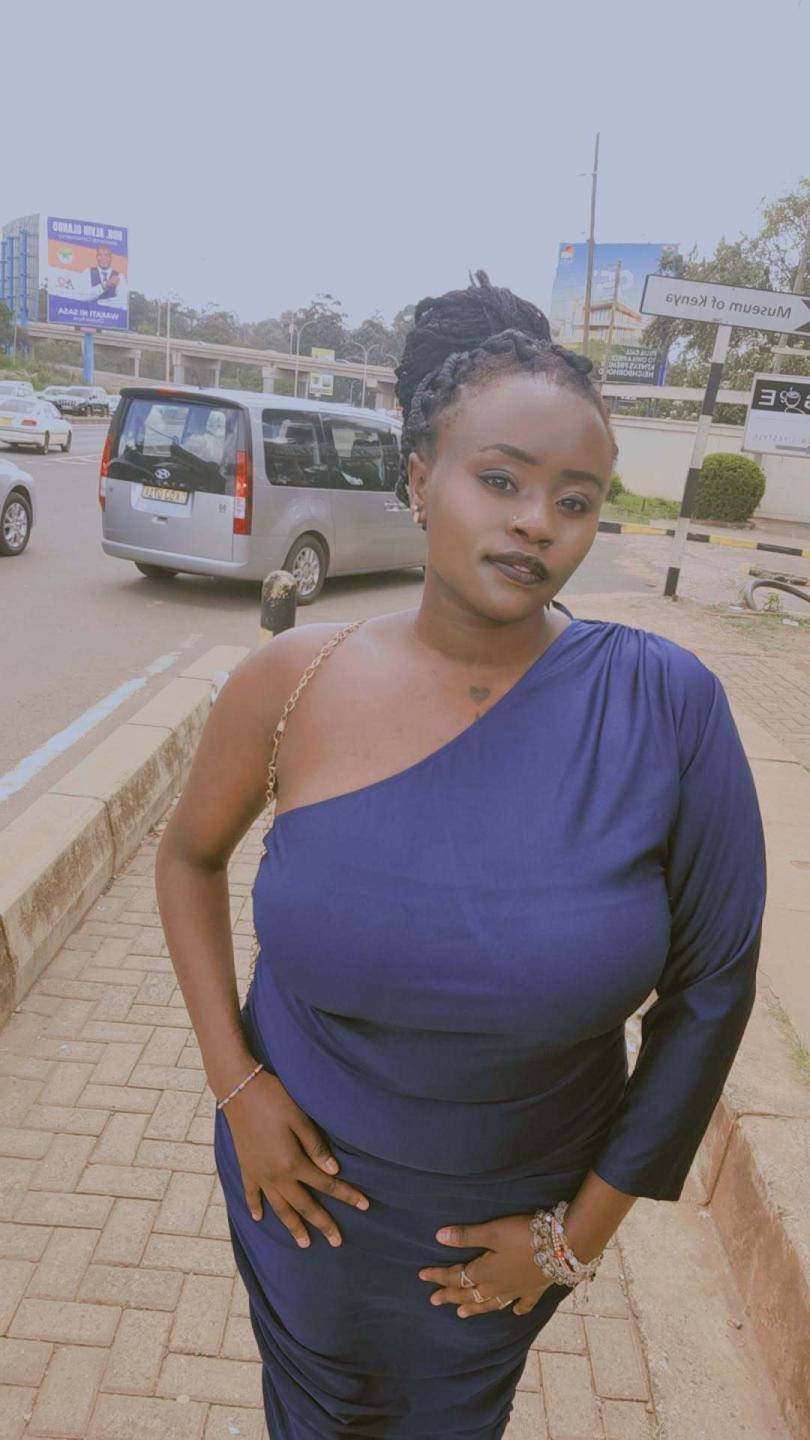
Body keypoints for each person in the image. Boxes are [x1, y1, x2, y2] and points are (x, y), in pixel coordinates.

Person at [155, 271, 766, 1439]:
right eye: (501, 480)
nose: (538, 522)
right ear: (418, 477)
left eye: (576, 500)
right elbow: (186, 860)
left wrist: (574, 1240)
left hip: (514, 1232)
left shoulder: (666, 706)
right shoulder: (291, 685)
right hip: (300, 1202)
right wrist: (236, 1091)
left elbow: (711, 992)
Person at [78, 243, 128, 307]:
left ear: (111, 258)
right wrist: (104, 285)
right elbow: (82, 297)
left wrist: (99, 303)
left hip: (110, 313)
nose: (103, 258)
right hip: (89, 312)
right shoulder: (88, 272)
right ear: (97, 257)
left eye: (107, 255)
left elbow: (122, 301)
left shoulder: (120, 276)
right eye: (100, 255)